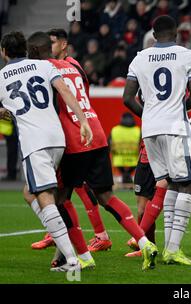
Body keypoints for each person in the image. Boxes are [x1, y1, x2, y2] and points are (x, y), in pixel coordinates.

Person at [25, 31, 157, 271]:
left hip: (74, 139)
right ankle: (144, 241)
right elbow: (83, 92)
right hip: (95, 130)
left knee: (60, 199)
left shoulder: (44, 70)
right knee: (107, 196)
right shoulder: (74, 65)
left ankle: (82, 257)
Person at [0, 31, 93, 272]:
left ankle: (72, 260)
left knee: (45, 196)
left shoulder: (2, 76)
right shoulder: (43, 66)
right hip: (57, 139)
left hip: (35, 142)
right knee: (30, 193)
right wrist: (83, 120)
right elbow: (65, 91)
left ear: (3, 52)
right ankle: (59, 235)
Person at [123, 15, 191, 265]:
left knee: (164, 183)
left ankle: (156, 245)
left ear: (153, 35)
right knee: (187, 184)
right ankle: (173, 249)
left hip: (150, 130)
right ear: (176, 33)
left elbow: (127, 98)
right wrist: (177, 110)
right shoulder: (186, 55)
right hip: (174, 127)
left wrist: (148, 115)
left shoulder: (139, 58)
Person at [30, 29, 112, 253]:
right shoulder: (67, 65)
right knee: (68, 188)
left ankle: (95, 235)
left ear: (64, 45)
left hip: (72, 132)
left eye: (53, 42)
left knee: (70, 188)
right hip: (71, 130)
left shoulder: (67, 65)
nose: (49, 46)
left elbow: (78, 97)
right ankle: (64, 233)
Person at [109, 112, 141, 184]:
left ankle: (124, 174)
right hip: (134, 160)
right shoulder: (138, 131)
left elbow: (109, 145)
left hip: (118, 160)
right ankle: (127, 175)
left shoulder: (115, 130)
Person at [0, 114, 18, 181]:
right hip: (10, 131)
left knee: (12, 153)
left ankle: (11, 174)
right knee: (11, 153)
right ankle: (11, 173)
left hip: (12, 131)